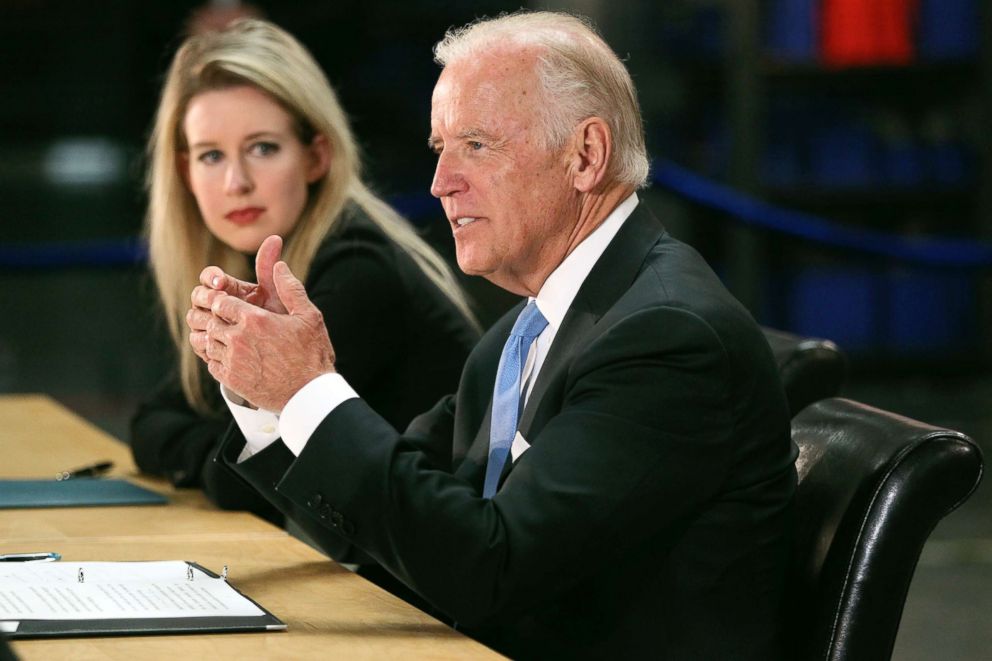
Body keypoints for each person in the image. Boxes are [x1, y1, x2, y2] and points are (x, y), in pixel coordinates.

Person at [188, 11, 797, 659]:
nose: (440, 182)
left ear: (585, 155)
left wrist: (309, 388)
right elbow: (400, 523)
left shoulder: (666, 338)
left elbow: (490, 569)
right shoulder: (532, 326)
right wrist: (273, 399)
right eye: (439, 147)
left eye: (476, 144)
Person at [130, 19, 479, 522]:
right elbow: (152, 420)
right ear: (185, 172)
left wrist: (209, 453)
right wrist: (213, 451)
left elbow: (245, 481)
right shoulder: (260, 274)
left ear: (316, 156)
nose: (236, 182)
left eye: (263, 148)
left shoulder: (357, 270)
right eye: (211, 156)